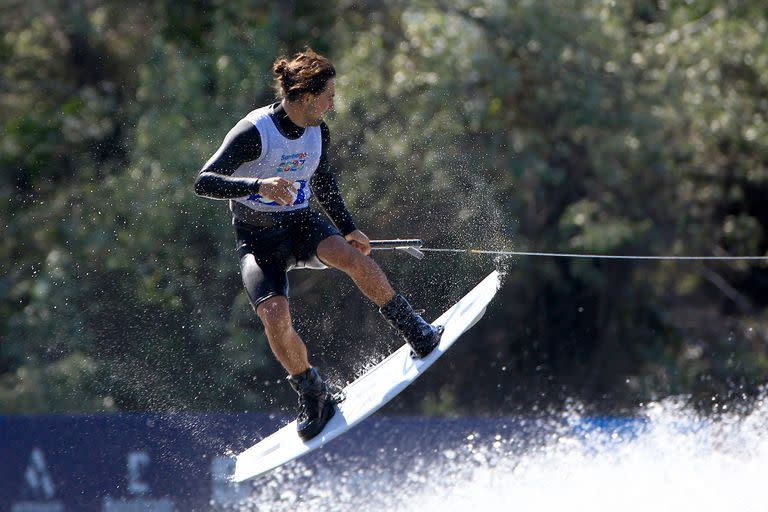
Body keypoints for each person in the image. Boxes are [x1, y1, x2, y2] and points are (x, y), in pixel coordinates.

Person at [194, 48, 442, 441]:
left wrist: (348, 228)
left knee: (352, 258)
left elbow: (323, 182)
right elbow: (204, 181)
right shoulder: (254, 132)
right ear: (306, 96)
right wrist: (259, 186)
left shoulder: (317, 131)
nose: (332, 103)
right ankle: (313, 392)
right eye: (328, 95)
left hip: (302, 223)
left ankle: (413, 327)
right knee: (274, 315)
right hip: (258, 239)